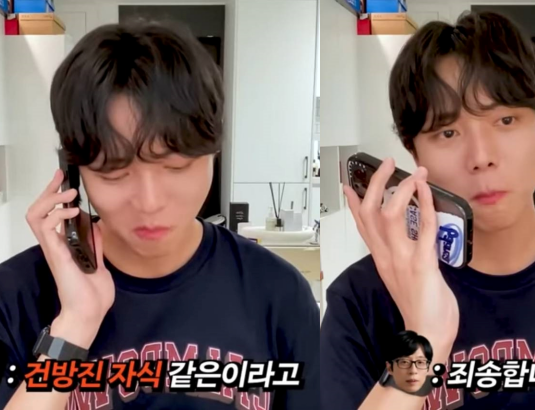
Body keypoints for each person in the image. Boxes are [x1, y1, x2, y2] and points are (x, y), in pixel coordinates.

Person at [320, 10, 535, 410]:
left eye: (505, 120)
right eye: (448, 132)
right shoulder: (360, 301)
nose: (481, 157)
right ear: (414, 153)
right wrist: (425, 339)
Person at [0, 21, 320, 410]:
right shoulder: (15, 297)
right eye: (113, 174)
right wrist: (74, 326)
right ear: (73, 173)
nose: (149, 203)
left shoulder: (278, 294)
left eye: (176, 167)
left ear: (214, 152)